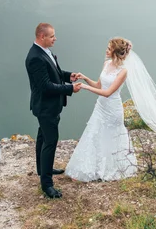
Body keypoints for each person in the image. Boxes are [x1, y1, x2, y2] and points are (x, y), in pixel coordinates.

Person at [65, 37, 137, 181]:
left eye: (109, 48)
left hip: (112, 109)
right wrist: (85, 78)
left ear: (116, 52)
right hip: (100, 107)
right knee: (93, 134)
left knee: (110, 138)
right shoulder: (106, 64)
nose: (106, 50)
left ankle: (110, 168)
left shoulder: (123, 71)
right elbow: (99, 85)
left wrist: (85, 87)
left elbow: (108, 92)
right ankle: (89, 168)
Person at [25, 23, 81, 199]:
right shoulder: (35, 57)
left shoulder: (43, 52)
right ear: (42, 37)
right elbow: (45, 86)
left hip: (49, 106)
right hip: (45, 107)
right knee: (50, 141)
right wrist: (70, 88)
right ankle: (47, 185)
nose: (55, 39)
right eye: (52, 36)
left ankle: (43, 169)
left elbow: (54, 72)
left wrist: (67, 76)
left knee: (43, 136)